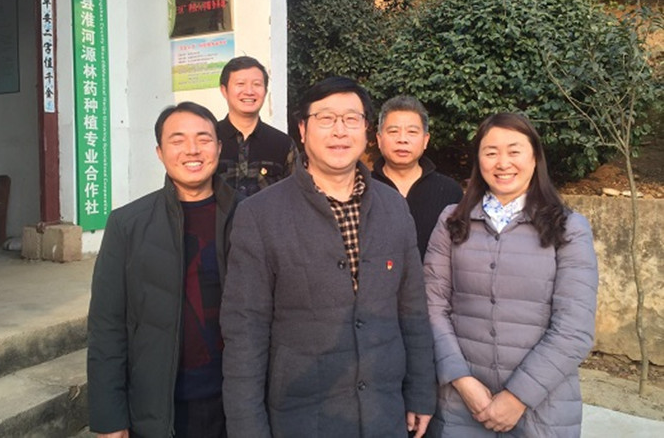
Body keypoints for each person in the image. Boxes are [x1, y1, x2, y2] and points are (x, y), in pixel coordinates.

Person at [220, 76, 436, 438]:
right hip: (302, 419)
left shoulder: (393, 207)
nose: (340, 131)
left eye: (351, 119)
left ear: (366, 131)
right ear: (303, 130)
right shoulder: (260, 215)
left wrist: (421, 392)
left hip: (384, 413)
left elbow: (412, 309)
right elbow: (245, 331)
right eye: (326, 118)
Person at [424, 112, 598, 437]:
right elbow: (432, 306)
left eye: (514, 151)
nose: (502, 163)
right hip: (461, 405)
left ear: (535, 157)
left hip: (541, 410)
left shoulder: (568, 227)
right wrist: (462, 381)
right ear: (478, 160)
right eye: (491, 152)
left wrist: (517, 397)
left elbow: (574, 327)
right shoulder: (451, 222)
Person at [87, 102, 241, 438]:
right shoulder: (128, 224)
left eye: (203, 138)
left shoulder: (249, 217)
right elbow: (106, 325)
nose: (192, 150)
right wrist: (109, 417)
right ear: (159, 152)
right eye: (177, 140)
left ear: (218, 147)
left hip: (236, 405)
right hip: (158, 409)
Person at [373, 95, 464, 258]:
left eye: (412, 132)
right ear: (379, 139)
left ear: (425, 140)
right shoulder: (361, 188)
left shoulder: (450, 192)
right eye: (393, 131)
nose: (402, 139)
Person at [217, 56, 298, 195]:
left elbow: (296, 194)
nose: (249, 91)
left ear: (265, 91)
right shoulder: (208, 139)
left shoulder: (283, 144)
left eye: (257, 84)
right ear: (224, 90)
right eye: (240, 84)